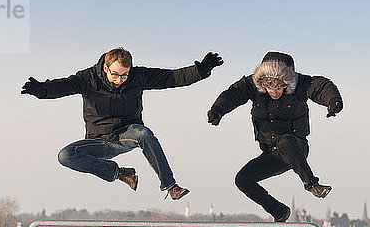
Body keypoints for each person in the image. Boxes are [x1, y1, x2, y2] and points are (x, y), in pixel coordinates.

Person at [21, 47, 223, 200]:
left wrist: (200, 71)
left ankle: (171, 187)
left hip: (127, 134)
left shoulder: (138, 77)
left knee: (144, 134)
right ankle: (121, 173)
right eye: (115, 74)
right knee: (65, 156)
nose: (119, 80)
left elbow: (172, 78)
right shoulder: (88, 78)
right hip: (98, 141)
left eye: (124, 75)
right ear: (106, 67)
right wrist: (43, 90)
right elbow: (63, 85)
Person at [206, 51, 343, 222]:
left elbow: (321, 86)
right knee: (242, 179)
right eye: (269, 87)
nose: (274, 91)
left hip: (297, 148)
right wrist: (218, 110)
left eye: (279, 87)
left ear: (287, 83)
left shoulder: (300, 84)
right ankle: (280, 212)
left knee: (286, 141)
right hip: (273, 153)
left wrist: (333, 100)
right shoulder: (251, 85)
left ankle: (312, 184)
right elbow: (233, 93)